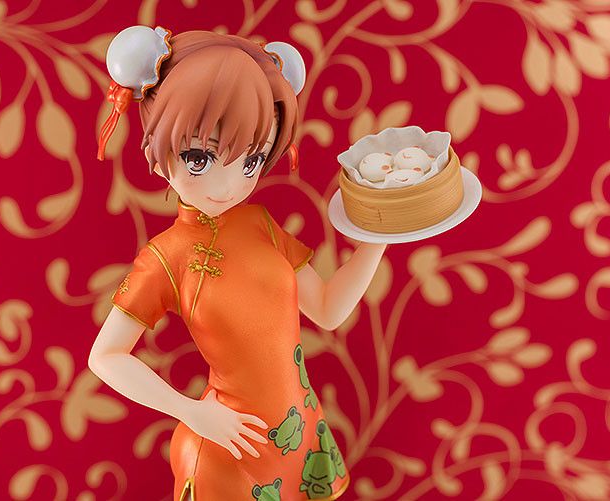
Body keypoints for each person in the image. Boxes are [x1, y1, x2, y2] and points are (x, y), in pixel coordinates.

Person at [88, 27, 387, 500]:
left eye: (251, 161)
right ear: (157, 154)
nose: (228, 185)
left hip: (297, 430)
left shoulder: (260, 224)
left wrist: (380, 235)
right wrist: (192, 412)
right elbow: (104, 357)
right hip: (226, 446)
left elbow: (328, 310)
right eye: (199, 158)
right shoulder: (166, 257)